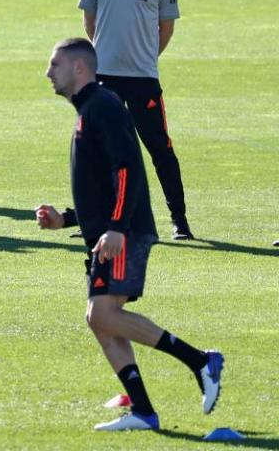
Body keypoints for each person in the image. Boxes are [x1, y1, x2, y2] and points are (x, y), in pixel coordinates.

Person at [36, 38, 223, 431]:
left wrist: (117, 228)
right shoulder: (89, 110)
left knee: (103, 313)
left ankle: (200, 362)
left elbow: (127, 170)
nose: (48, 72)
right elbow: (102, 185)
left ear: (79, 68)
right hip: (109, 231)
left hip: (123, 232)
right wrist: (65, 219)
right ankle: (144, 411)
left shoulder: (102, 106)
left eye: (55, 65)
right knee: (99, 319)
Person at [79, 0, 193, 240]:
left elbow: (166, 27)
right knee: (96, 151)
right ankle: (96, 221)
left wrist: (145, 56)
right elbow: (90, 20)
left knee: (159, 147)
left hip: (143, 78)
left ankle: (179, 220)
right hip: (104, 78)